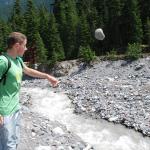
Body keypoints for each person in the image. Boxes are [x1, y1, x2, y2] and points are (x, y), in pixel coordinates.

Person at [0, 32, 60, 150]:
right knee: (7, 146)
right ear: (17, 46)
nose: (26, 48)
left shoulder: (17, 60)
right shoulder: (3, 61)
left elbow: (28, 71)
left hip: (15, 108)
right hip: (4, 112)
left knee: (14, 141)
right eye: (25, 45)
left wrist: (47, 76)